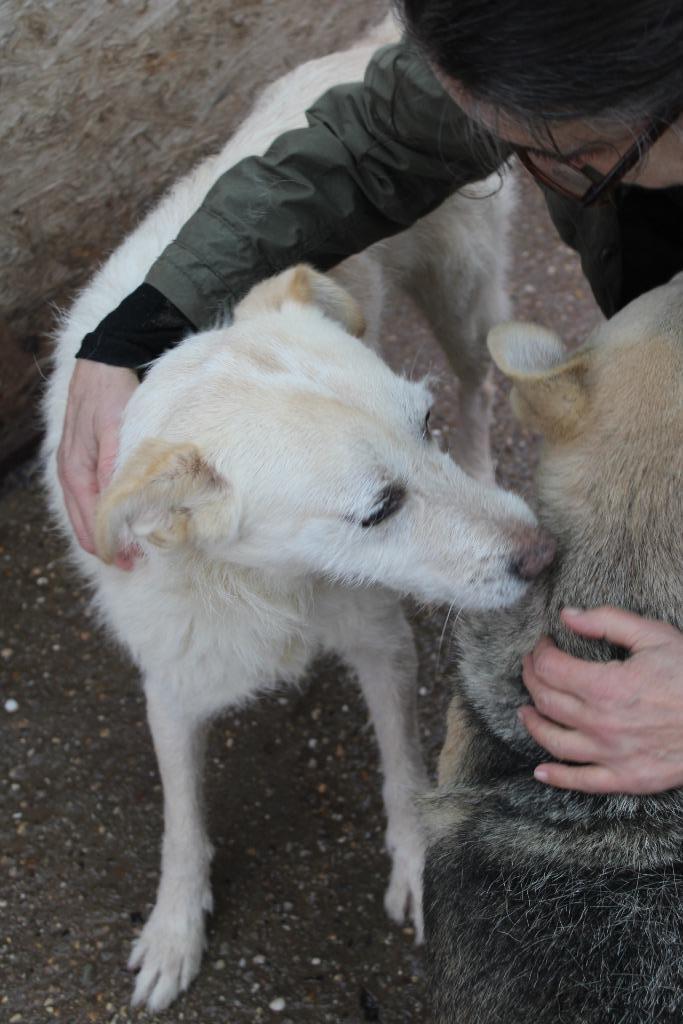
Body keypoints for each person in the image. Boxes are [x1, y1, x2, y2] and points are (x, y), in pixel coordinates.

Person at [57, 0, 683, 796]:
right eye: (504, 142)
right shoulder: (537, 42)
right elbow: (377, 136)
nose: (521, 165)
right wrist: (136, 327)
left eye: (566, 154)